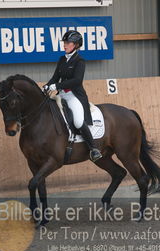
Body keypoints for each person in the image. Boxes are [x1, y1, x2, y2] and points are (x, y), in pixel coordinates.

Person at [43, 30, 102, 162]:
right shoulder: (62, 59)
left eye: (68, 43)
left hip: (74, 95)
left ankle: (93, 149)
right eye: (64, 42)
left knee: (78, 121)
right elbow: (55, 77)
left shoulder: (80, 60)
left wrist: (57, 86)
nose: (64, 45)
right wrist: (47, 86)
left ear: (75, 45)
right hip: (61, 95)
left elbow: (77, 80)